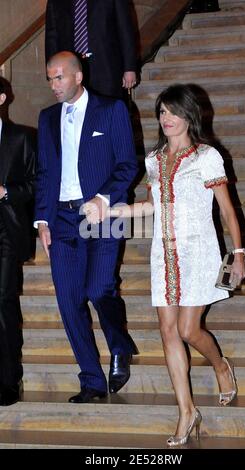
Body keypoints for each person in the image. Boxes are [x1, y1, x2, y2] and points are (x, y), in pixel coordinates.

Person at [108, 84, 245, 445]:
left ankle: (219, 364)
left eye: (172, 111)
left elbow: (228, 210)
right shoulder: (153, 160)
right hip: (163, 253)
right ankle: (186, 411)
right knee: (167, 331)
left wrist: (240, 253)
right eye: (161, 112)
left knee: (188, 330)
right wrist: (117, 210)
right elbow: (154, 207)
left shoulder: (207, 157)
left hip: (198, 253)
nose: (165, 118)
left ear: (189, 115)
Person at [34, 51, 138, 402]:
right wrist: (43, 220)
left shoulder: (111, 110)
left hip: (103, 217)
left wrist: (103, 199)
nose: (53, 85)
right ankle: (91, 381)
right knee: (68, 301)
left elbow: (127, 164)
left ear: (79, 77)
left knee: (97, 289)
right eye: (50, 78)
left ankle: (119, 345)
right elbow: (45, 173)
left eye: (59, 77)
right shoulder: (47, 118)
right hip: (61, 220)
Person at [0, 77, 36, 406]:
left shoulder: (21, 137)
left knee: (2, 304)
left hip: (5, 233)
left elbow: (36, 185)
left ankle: (10, 378)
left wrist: (6, 192)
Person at [45, 0, 137, 99]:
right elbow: (52, 36)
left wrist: (129, 67)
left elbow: (125, 28)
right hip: (70, 71)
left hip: (106, 67)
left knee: (108, 109)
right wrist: (51, 73)